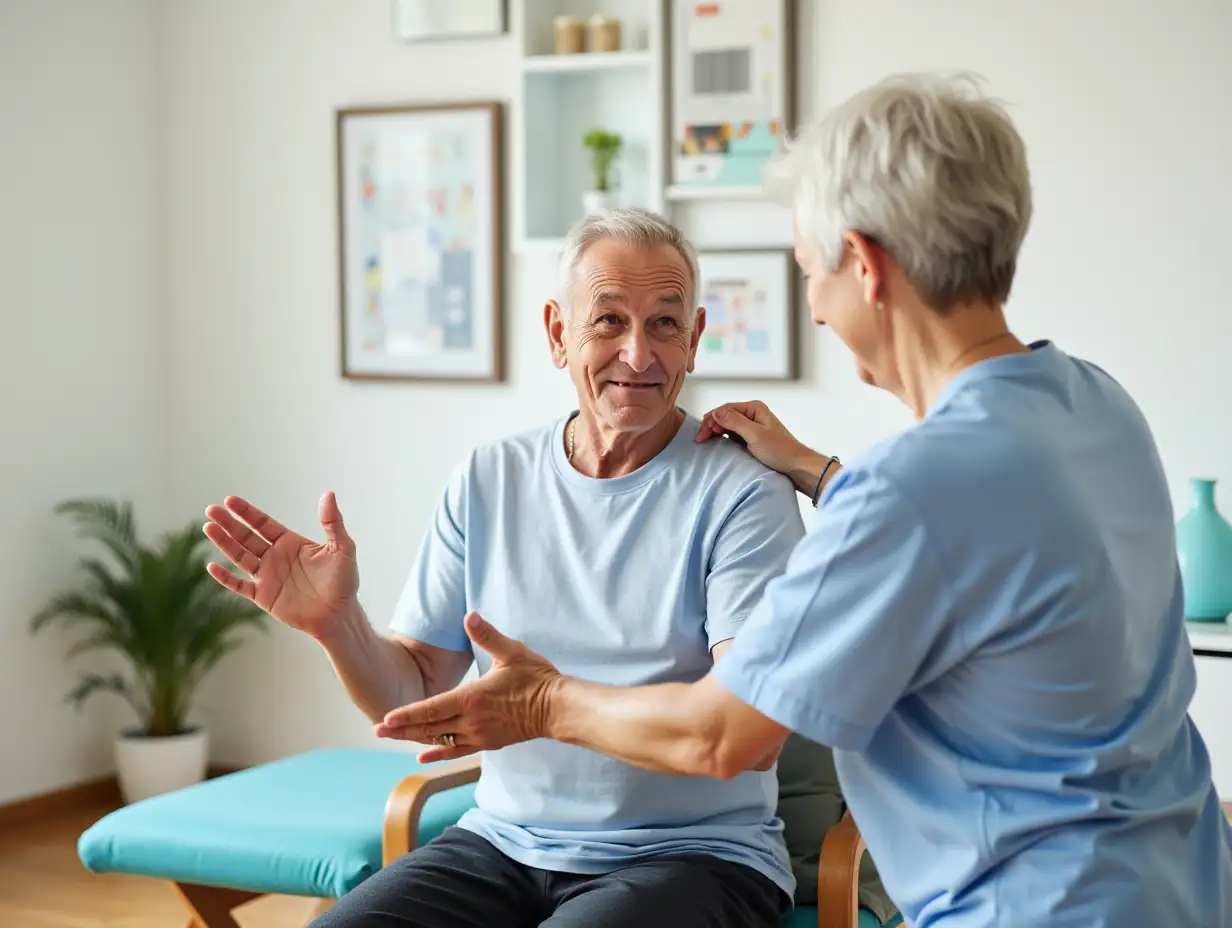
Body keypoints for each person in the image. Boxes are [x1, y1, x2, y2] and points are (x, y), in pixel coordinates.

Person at [378, 74, 1232, 927]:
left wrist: (543, 701)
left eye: (808, 271)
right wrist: (820, 472)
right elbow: (978, 532)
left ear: (864, 266)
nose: (814, 310)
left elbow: (718, 738)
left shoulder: (911, 493)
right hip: (1182, 887)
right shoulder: (1094, 402)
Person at [204, 207, 859, 928]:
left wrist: (550, 704)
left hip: (695, 856)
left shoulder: (742, 492)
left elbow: (732, 737)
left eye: (665, 324)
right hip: (503, 845)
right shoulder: (489, 478)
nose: (639, 355)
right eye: (608, 320)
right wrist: (339, 627)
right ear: (557, 333)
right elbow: (417, 691)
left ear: (695, 339)